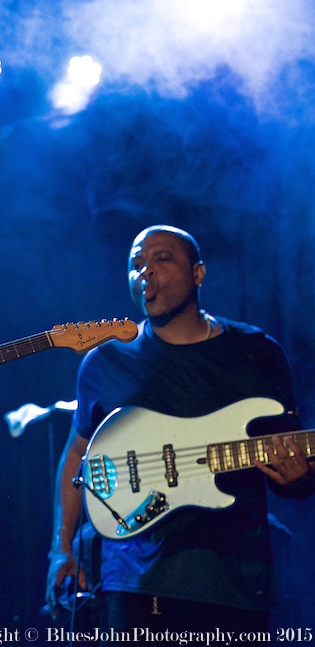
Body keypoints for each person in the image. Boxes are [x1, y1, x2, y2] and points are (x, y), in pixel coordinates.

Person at [45, 225, 315, 639]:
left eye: (162, 258)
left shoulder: (257, 352)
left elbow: (291, 464)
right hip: (134, 584)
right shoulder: (105, 361)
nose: (146, 271)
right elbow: (77, 455)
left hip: (235, 584)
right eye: (136, 263)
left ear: (198, 273)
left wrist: (300, 479)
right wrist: (61, 548)